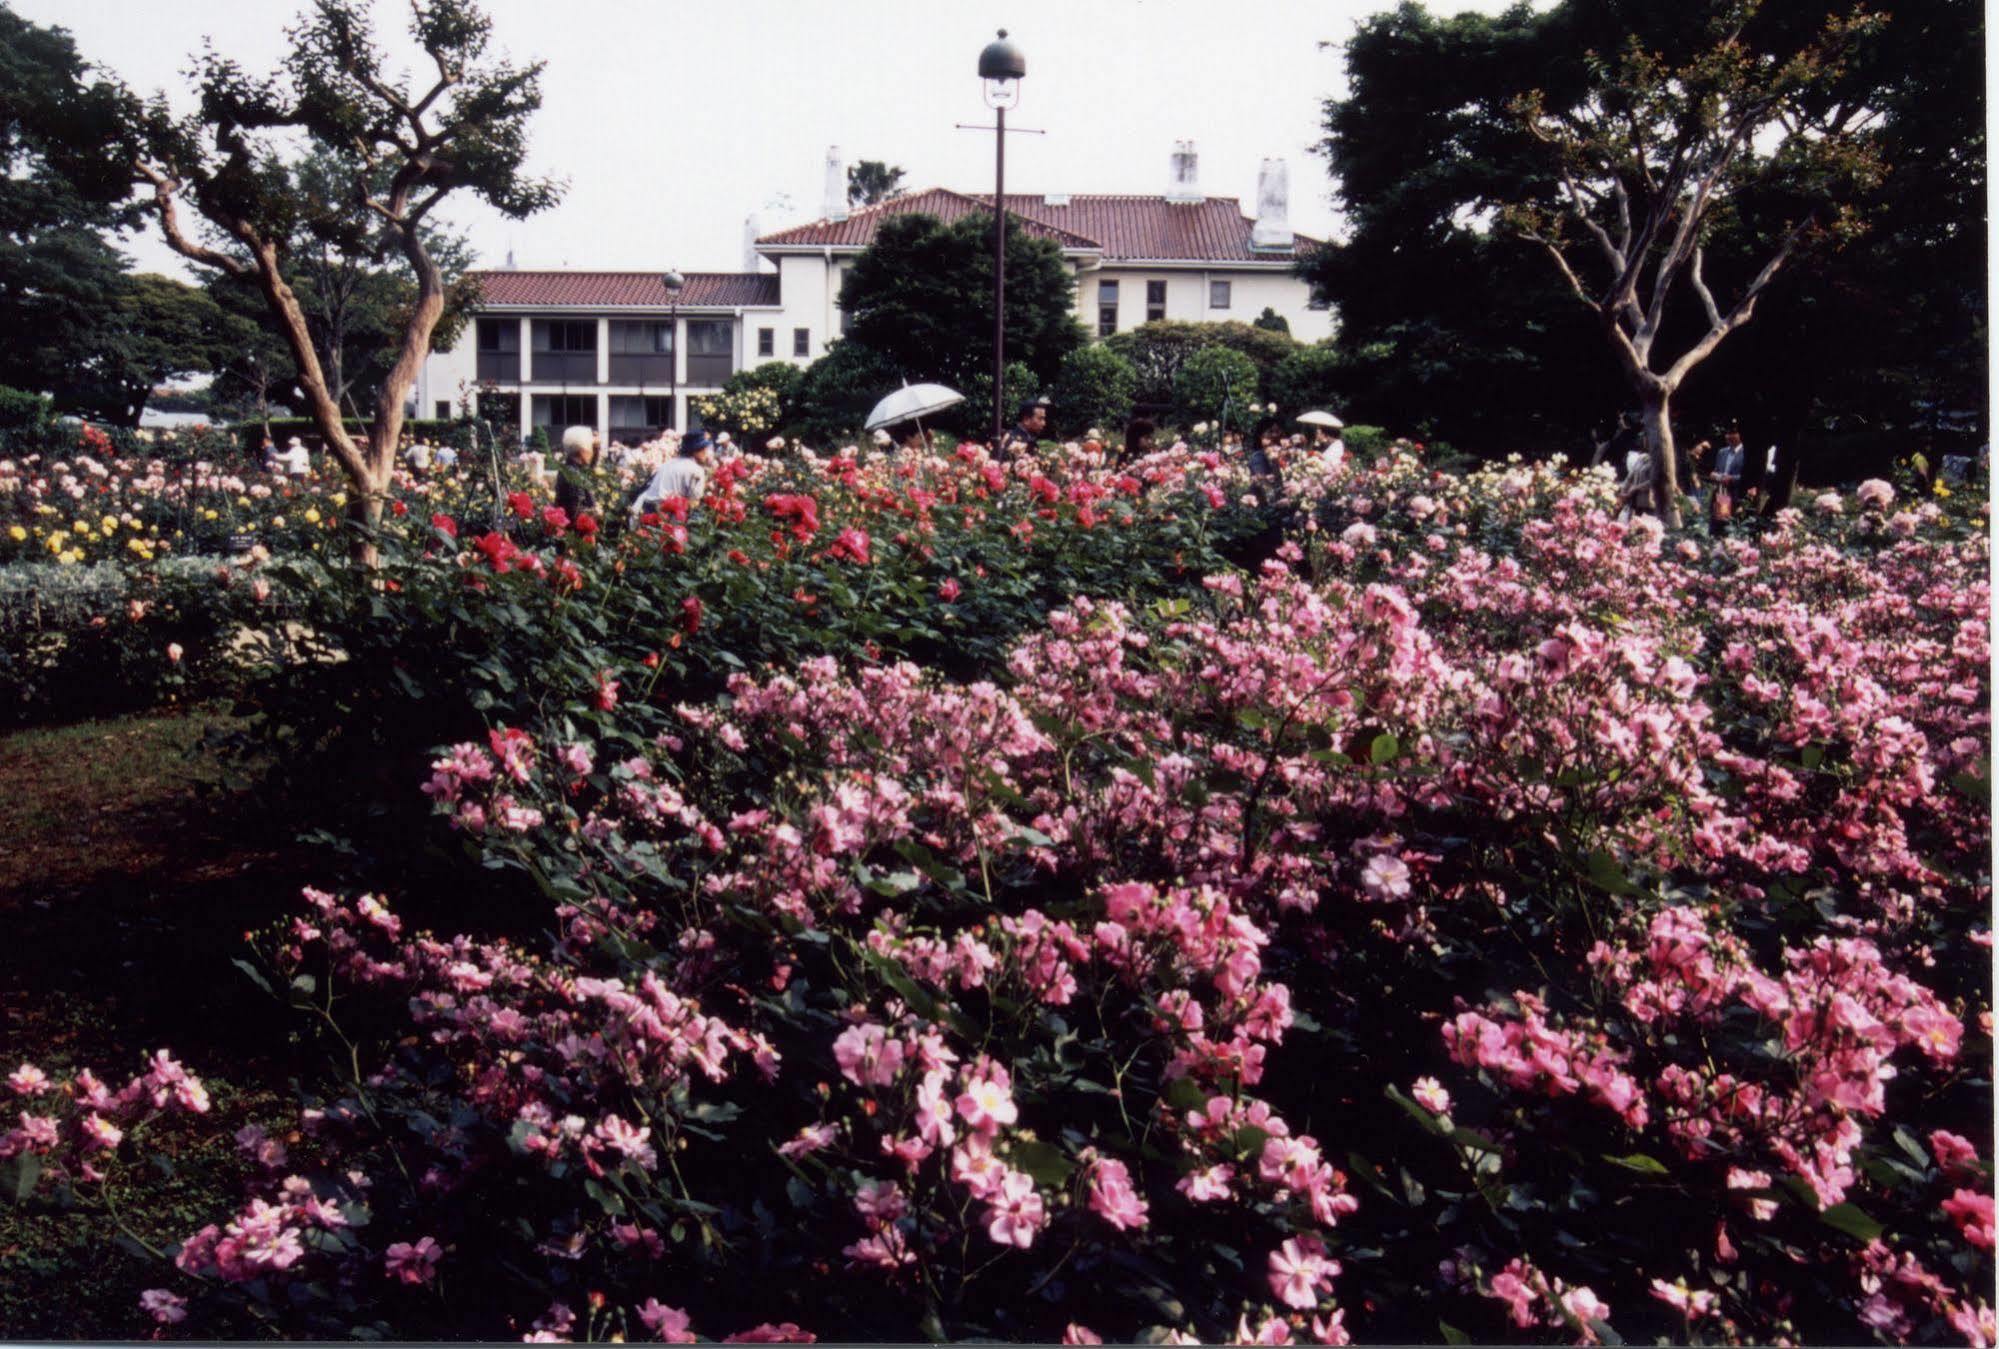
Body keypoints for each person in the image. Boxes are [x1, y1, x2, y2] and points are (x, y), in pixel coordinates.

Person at [630, 429, 715, 519]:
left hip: (644, 510)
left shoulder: (669, 463)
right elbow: (693, 504)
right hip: (665, 515)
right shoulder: (696, 470)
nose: (707, 453)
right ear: (695, 450)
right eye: (705, 449)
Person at [554, 424, 601, 518]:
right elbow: (576, 512)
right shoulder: (573, 475)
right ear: (583, 450)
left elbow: (592, 466)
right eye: (592, 448)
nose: (592, 452)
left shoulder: (571, 469)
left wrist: (596, 448)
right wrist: (596, 513)